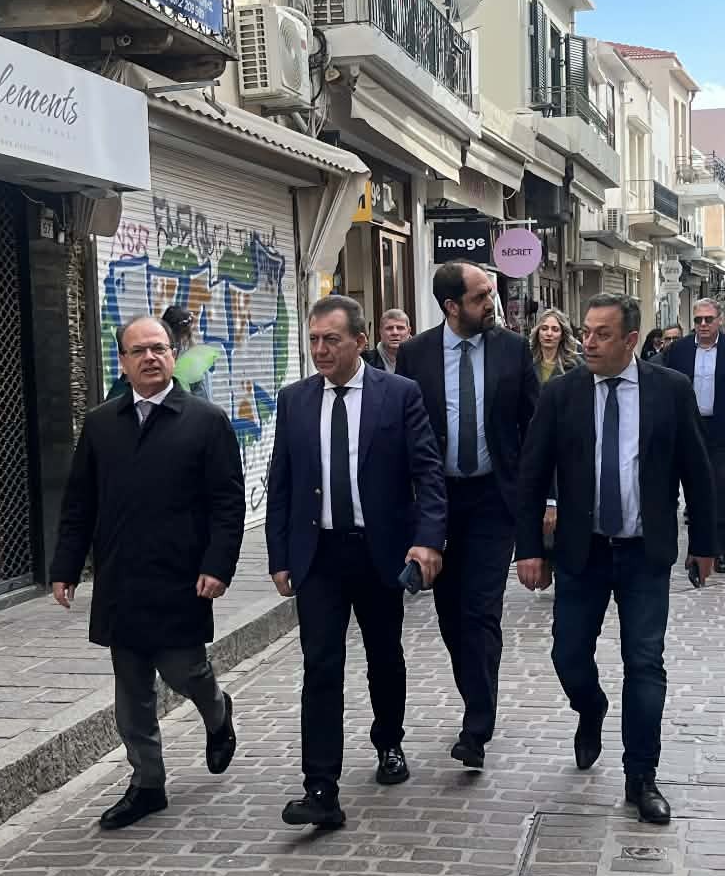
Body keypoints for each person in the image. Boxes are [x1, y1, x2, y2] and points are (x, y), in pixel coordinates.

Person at [516, 294, 716, 825]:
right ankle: (591, 708)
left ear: (630, 340)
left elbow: (697, 470)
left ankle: (641, 777)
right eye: (586, 331)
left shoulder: (669, 390)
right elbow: (532, 475)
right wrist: (529, 549)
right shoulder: (561, 394)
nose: (589, 342)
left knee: (645, 663)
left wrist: (705, 544)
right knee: (568, 655)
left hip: (644, 553)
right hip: (581, 552)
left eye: (602, 334)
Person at [51, 315, 245, 831]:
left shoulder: (205, 421)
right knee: (132, 688)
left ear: (173, 354)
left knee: (185, 671)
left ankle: (217, 712)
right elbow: (79, 503)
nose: (150, 357)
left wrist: (217, 565)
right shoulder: (101, 424)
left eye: (159, 348)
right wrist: (65, 567)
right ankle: (147, 783)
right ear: (123, 361)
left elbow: (228, 504)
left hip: (182, 576)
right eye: (139, 351)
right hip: (121, 577)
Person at [266, 295, 446, 830]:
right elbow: (282, 483)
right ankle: (320, 786)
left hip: (378, 551)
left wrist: (428, 540)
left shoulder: (399, 395)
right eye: (314, 339)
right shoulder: (295, 400)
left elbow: (428, 473)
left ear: (360, 341)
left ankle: (389, 741)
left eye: (332, 339)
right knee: (320, 665)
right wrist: (280, 555)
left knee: (384, 655)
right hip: (319, 554)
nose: (320, 349)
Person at [393, 264, 539, 770]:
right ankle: (476, 692)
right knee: (451, 616)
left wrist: (545, 501)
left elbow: (534, 427)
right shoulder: (415, 354)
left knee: (481, 611)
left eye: (491, 294)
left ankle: (477, 724)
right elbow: (401, 431)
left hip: (493, 500)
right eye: (480, 297)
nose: (490, 303)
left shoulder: (512, 349)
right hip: (437, 503)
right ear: (452, 306)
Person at [663, 301, 725, 573]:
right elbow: (667, 393)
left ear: (719, 320)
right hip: (689, 430)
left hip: (724, 432)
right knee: (693, 491)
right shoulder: (680, 350)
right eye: (698, 320)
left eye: (708, 319)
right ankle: (698, 547)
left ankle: (719, 549)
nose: (703, 324)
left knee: (721, 491)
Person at [530, 307, 580, 384]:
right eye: (544, 328)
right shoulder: (527, 361)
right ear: (537, 332)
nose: (549, 333)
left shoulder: (575, 364)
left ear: (562, 335)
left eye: (555, 329)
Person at [368, 308, 411, 372]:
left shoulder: (421, 360)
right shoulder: (366, 362)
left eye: (400, 328)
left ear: (409, 331)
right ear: (380, 332)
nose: (395, 333)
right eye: (389, 328)